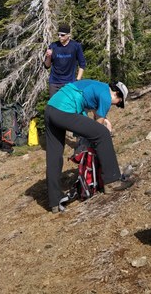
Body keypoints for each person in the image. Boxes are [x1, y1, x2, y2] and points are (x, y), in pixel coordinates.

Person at [44, 79, 133, 213]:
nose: (115, 105)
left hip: (51, 109)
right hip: (64, 109)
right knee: (102, 134)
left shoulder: (98, 87)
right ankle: (112, 180)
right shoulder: (106, 95)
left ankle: (55, 201)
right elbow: (98, 125)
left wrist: (104, 121)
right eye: (119, 103)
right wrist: (105, 128)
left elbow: (94, 114)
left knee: (54, 156)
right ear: (116, 94)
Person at [44, 24, 86, 95]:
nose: (60, 37)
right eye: (58, 34)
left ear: (69, 35)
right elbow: (47, 66)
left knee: (69, 102)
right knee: (54, 102)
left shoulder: (76, 46)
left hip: (70, 83)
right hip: (54, 83)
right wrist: (48, 56)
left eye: (62, 35)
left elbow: (82, 64)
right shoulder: (53, 46)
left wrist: (77, 80)